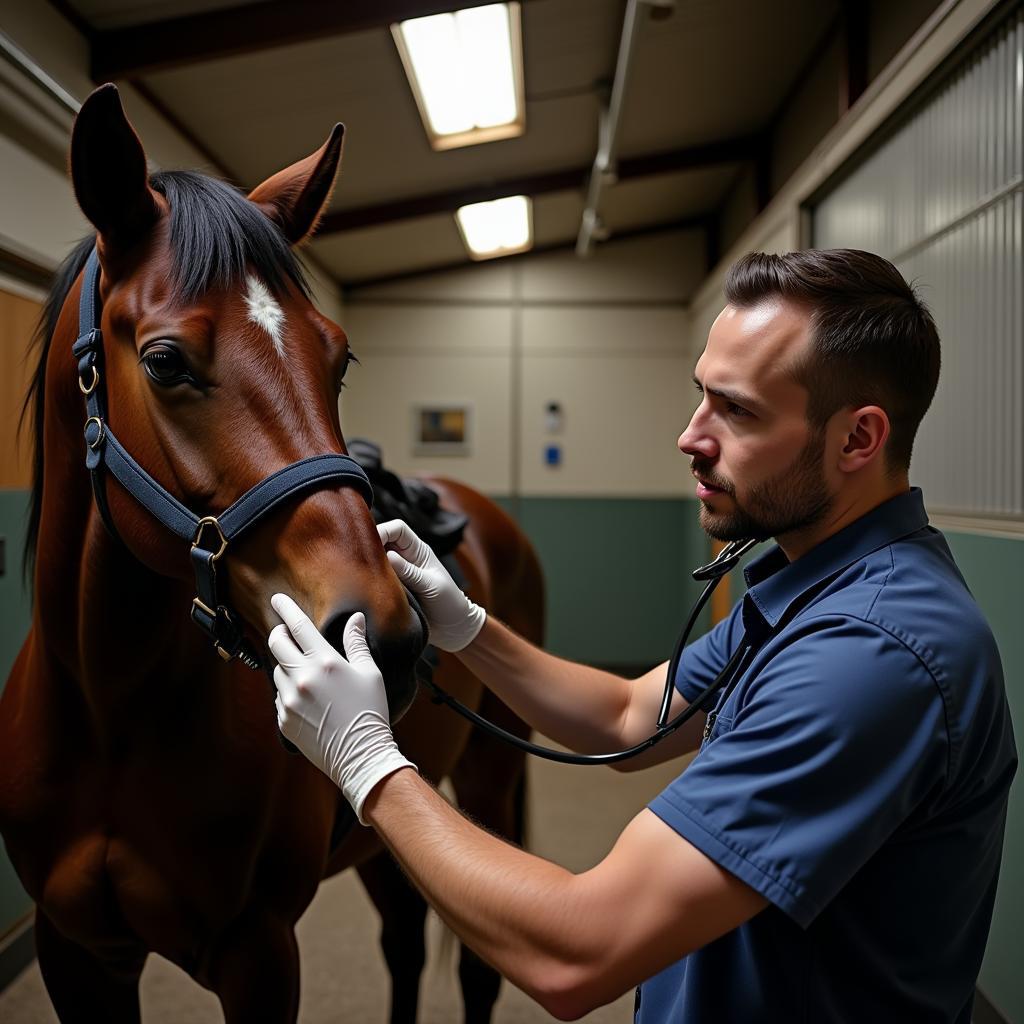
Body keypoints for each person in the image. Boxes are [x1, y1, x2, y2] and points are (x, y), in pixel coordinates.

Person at [267, 249, 1017, 1022]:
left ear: (858, 440)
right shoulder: (819, 584)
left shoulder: (870, 655)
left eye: (738, 411)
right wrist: (467, 628)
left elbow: (578, 952)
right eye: (701, 396)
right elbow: (630, 714)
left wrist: (367, 763)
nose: (691, 437)